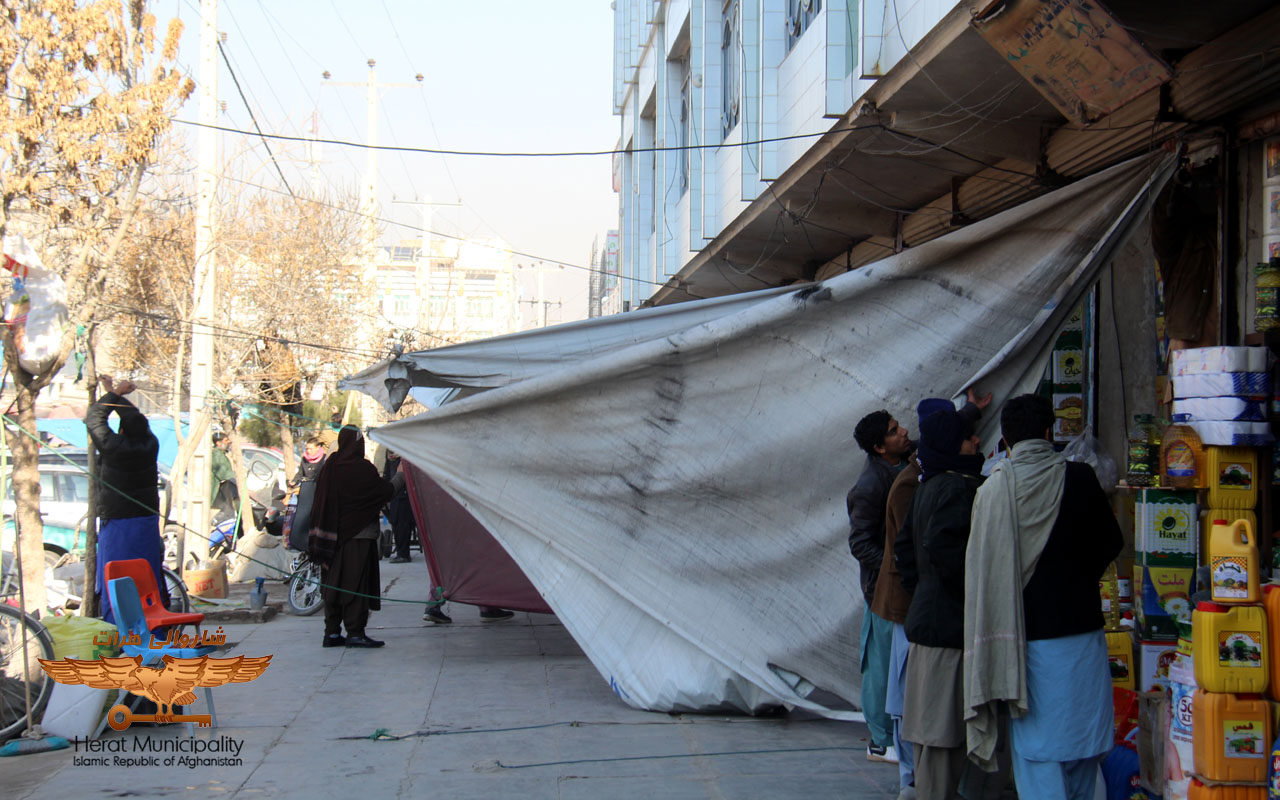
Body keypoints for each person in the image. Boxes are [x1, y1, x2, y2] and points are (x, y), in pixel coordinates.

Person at [964, 394, 1123, 799]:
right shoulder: (1082, 478)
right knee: (1083, 752)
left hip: (1025, 645)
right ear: (1051, 433)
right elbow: (1111, 542)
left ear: (1006, 440)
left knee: (1039, 757)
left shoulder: (993, 490)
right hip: (1081, 637)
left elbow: (981, 572)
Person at [873, 391, 987, 799]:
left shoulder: (930, 484)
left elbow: (906, 550)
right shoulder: (954, 489)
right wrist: (962, 593)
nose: (977, 443)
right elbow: (941, 551)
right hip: (945, 627)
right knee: (940, 739)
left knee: (933, 737)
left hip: (931, 621)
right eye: (968, 437)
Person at [848, 409, 911, 763]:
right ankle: (880, 740)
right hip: (882, 591)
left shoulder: (897, 463)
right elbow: (859, 543)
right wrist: (894, 568)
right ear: (878, 447)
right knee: (881, 665)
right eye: (893, 431)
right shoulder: (871, 485)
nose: (903, 432)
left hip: (896, 585)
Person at [84, 376, 168, 622]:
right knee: (146, 577)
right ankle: (153, 626)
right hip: (146, 520)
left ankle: (119, 628)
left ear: (121, 430)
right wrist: (117, 395)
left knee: (116, 578)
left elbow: (94, 419)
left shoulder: (115, 447)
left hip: (119, 521)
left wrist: (113, 396)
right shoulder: (151, 444)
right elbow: (134, 420)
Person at [311, 426, 394, 648]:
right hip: (358, 537)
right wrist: (402, 476)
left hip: (331, 540)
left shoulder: (331, 466)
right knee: (355, 585)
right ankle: (355, 632)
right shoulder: (361, 469)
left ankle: (332, 633)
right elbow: (384, 491)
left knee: (333, 583)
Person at [286, 436, 326, 552]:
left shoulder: (324, 459)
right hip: (305, 493)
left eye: (311, 449)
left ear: (318, 448)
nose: (308, 451)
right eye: (307, 448)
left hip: (317, 492)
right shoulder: (304, 459)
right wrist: (294, 482)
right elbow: (300, 474)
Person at [383, 452, 414, 564]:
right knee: (396, 522)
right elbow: (387, 469)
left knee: (402, 524)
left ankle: (403, 553)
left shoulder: (404, 453)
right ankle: (401, 552)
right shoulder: (391, 452)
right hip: (394, 491)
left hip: (403, 493)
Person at [210, 431, 236, 514]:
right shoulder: (216, 455)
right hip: (216, 492)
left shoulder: (223, 454)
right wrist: (237, 477)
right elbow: (223, 474)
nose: (228, 442)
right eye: (226, 440)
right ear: (218, 443)